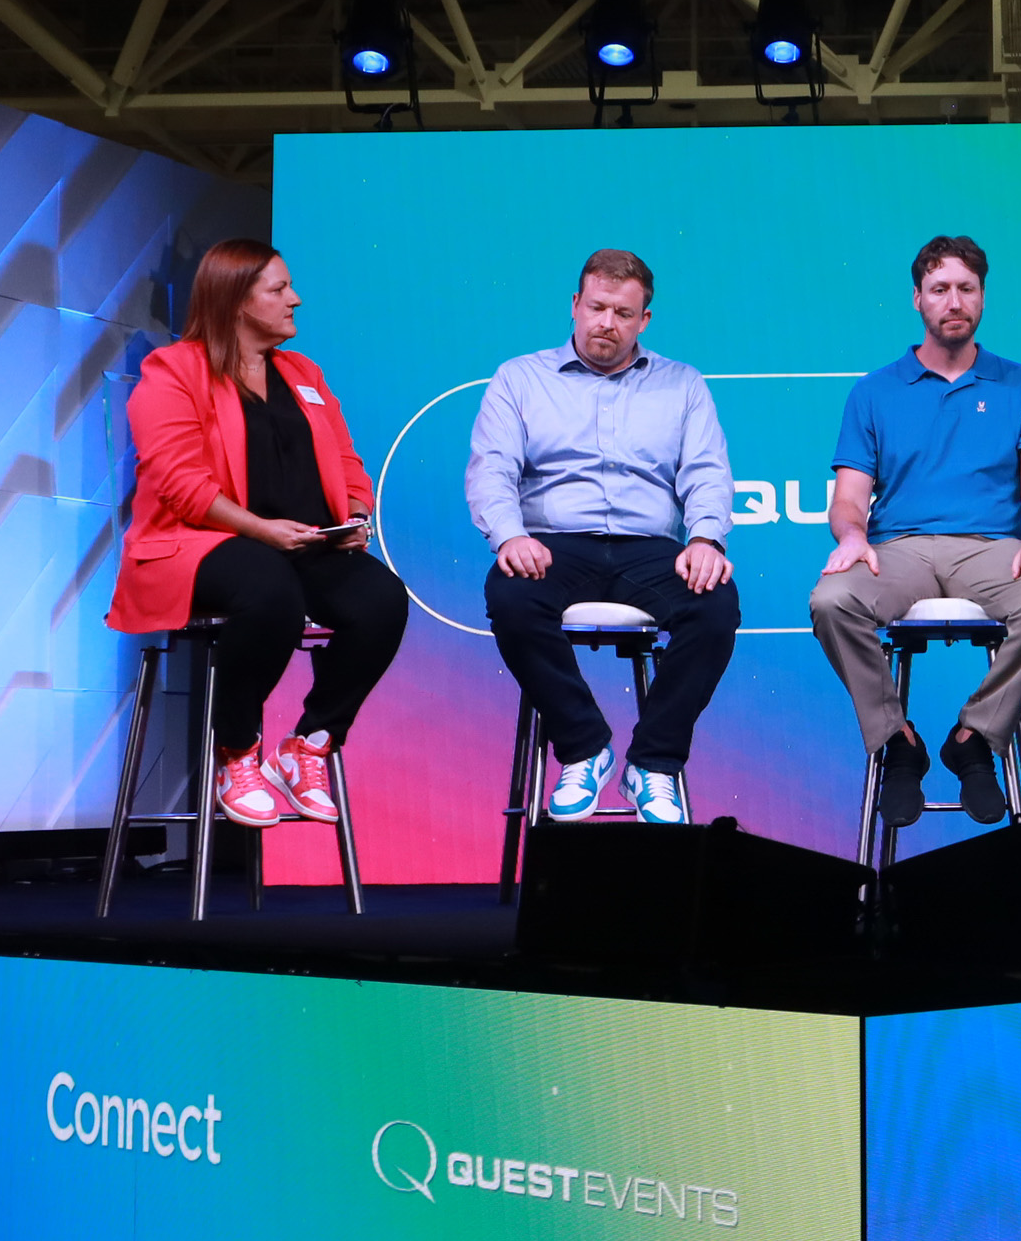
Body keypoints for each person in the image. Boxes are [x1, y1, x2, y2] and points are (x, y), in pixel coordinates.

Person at [111, 238, 411, 828]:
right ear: (236, 300)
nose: (294, 299)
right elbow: (180, 486)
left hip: (300, 545)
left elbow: (346, 461)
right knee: (271, 589)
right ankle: (237, 750)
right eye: (278, 289)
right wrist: (261, 531)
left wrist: (354, 513)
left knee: (380, 600)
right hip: (199, 545)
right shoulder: (173, 371)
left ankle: (308, 746)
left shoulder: (302, 373)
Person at [810, 232, 1021, 831]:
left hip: (992, 548)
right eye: (940, 289)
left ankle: (975, 737)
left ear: (982, 298)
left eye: (966, 288)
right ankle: (896, 737)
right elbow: (849, 498)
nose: (953, 301)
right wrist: (851, 537)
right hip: (898, 548)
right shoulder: (874, 391)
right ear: (917, 300)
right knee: (831, 600)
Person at [466, 248, 740, 825]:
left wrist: (707, 540)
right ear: (575, 305)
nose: (606, 323)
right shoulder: (521, 378)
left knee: (716, 605)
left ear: (644, 320)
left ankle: (654, 763)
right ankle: (585, 747)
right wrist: (509, 535)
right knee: (511, 597)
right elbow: (492, 469)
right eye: (596, 307)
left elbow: (708, 473)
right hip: (552, 543)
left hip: (650, 549)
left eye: (622, 312)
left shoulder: (682, 384)